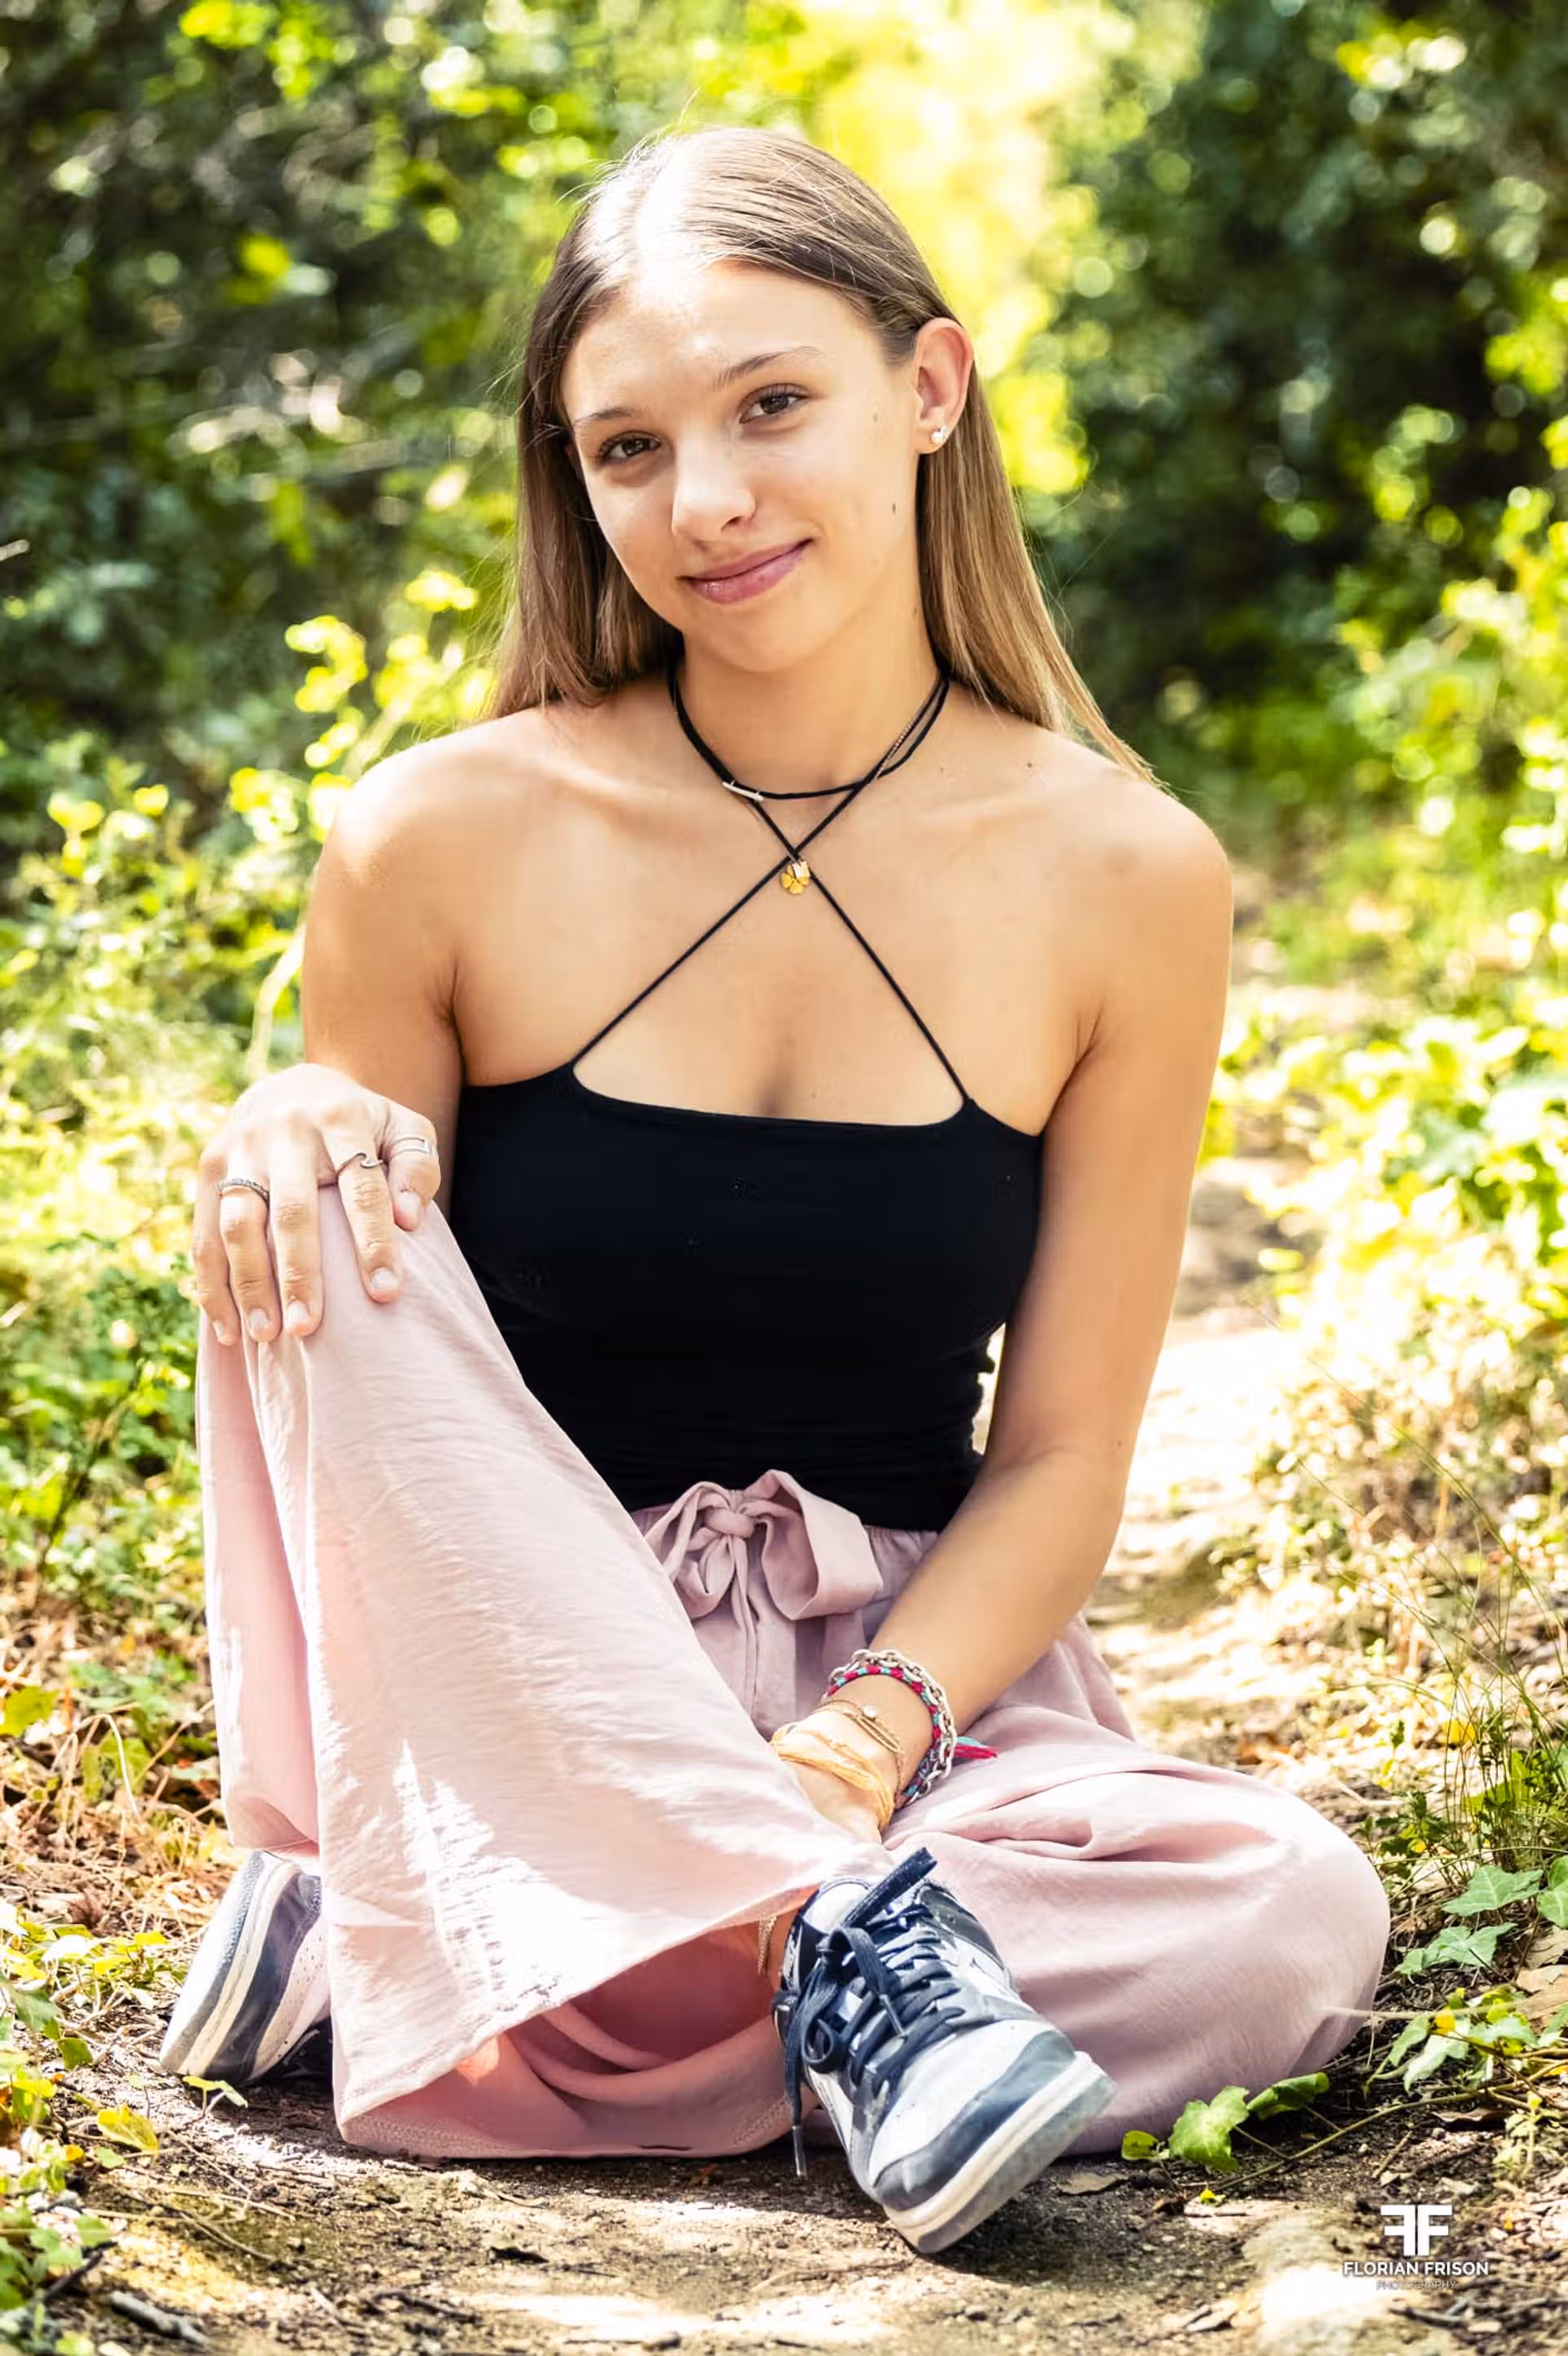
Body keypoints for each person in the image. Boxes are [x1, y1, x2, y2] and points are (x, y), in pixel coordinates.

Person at [155, 123, 1391, 2258]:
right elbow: (370, 1393)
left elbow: (1069, 1451)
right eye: (626, 449)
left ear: (929, 388)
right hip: (513, 1660)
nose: (702, 500)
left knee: (1292, 1911)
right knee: (308, 1163)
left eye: (769, 406)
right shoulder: (435, 837)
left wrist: (872, 1730)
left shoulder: (1127, 877)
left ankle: (479, 1964)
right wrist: (294, 1115)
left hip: (906, 1691)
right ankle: (806, 1974)